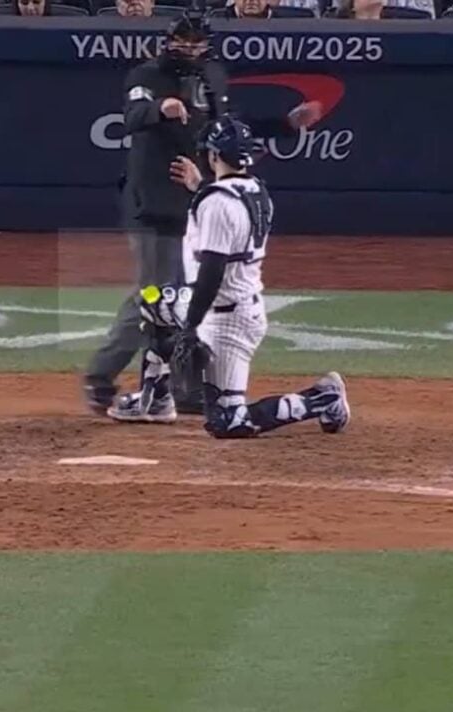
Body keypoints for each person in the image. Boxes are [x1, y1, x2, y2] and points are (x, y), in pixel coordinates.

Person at [83, 10, 322, 419]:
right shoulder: (147, 76)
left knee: (185, 295)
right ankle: (104, 375)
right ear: (169, 41)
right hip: (153, 204)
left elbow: (226, 128)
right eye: (184, 41)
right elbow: (132, 117)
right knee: (155, 296)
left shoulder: (213, 74)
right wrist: (161, 107)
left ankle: (172, 387)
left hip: (194, 201)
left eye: (197, 42)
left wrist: (284, 124)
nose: (190, 49)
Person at [110, 117, 351, 439]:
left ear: (213, 156)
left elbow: (212, 271)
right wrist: (199, 187)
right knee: (153, 302)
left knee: (228, 422)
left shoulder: (216, 203)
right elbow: (227, 210)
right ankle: (154, 400)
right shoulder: (255, 191)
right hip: (219, 303)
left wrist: (191, 328)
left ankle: (322, 398)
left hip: (226, 320)